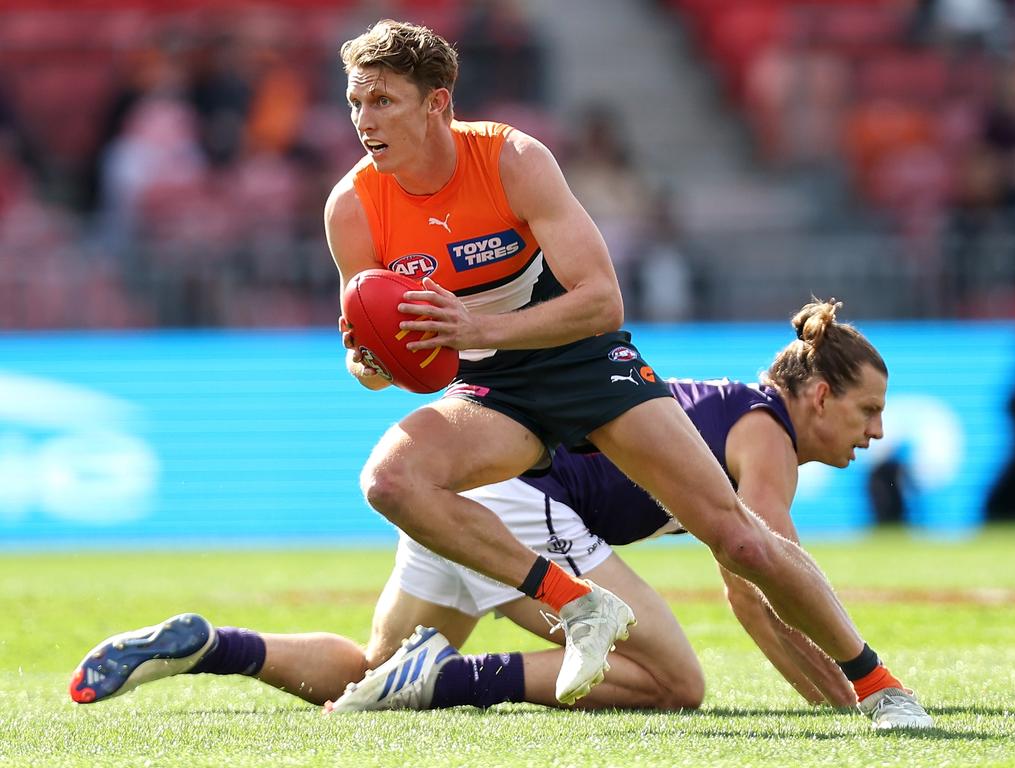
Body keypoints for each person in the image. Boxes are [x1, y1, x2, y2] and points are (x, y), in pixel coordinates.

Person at [320, 19, 931, 727]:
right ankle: (577, 603)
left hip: (582, 359)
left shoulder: (512, 159)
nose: (364, 120)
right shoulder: (352, 207)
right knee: (390, 480)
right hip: (491, 387)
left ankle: (881, 684)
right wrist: (368, 364)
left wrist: (480, 327)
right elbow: (377, 363)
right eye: (356, 101)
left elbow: (602, 301)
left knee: (737, 536)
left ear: (439, 105)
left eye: (384, 101)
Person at [73, 300, 923, 727]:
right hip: (525, 506)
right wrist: (847, 700)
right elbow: (756, 583)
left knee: (374, 665)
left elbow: (750, 583)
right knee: (674, 684)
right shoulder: (764, 431)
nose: (876, 431)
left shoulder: (741, 413)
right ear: (816, 395)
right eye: (866, 411)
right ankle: (444, 682)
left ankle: (210, 646)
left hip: (477, 506)